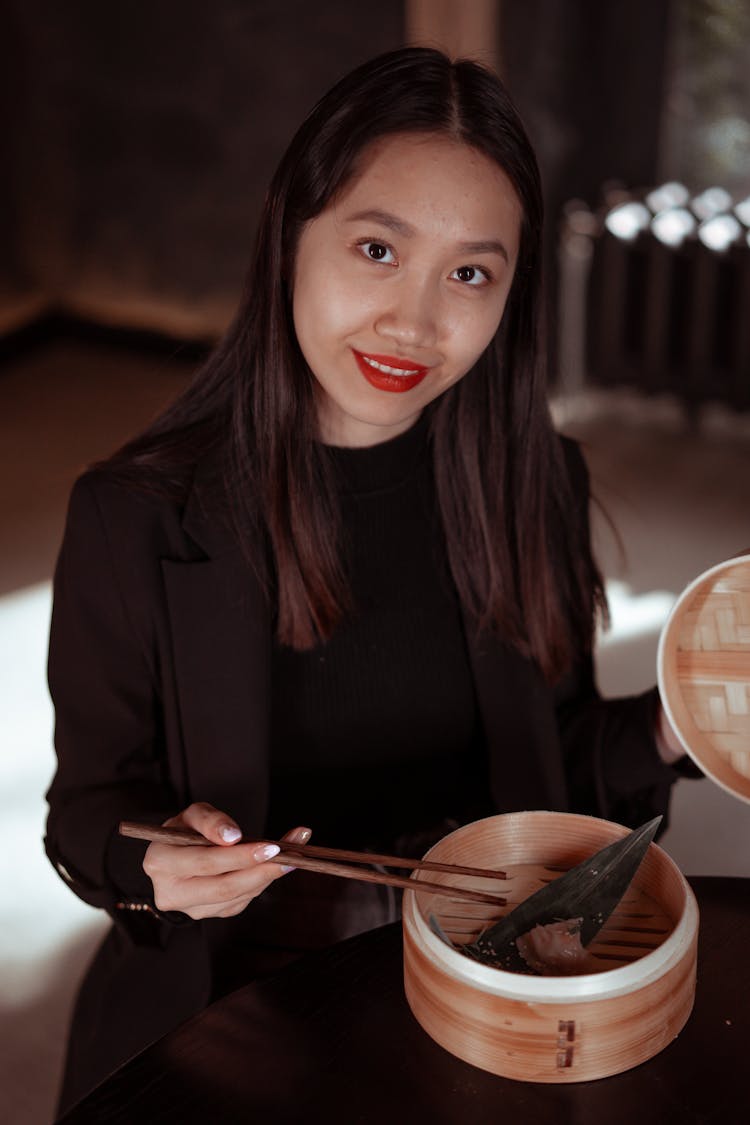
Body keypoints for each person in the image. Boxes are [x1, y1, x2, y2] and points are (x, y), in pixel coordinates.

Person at [45, 46, 691, 1111]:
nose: (416, 323)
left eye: (471, 274)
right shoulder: (132, 517)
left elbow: (556, 770)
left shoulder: (536, 482)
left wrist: (679, 727)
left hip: (491, 973)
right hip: (240, 1000)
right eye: (378, 248)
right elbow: (86, 815)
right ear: (288, 234)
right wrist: (159, 865)